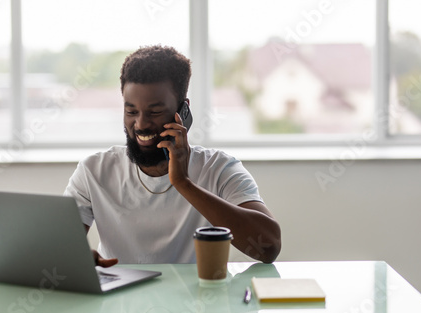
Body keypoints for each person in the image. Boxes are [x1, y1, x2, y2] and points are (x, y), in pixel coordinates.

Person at [64, 45, 281, 267]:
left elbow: (268, 248)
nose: (140, 124)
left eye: (155, 112)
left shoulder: (220, 168)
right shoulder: (94, 170)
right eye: (131, 112)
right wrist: (74, 257)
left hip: (198, 298)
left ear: (183, 111)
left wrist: (183, 183)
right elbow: (59, 246)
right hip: (120, 299)